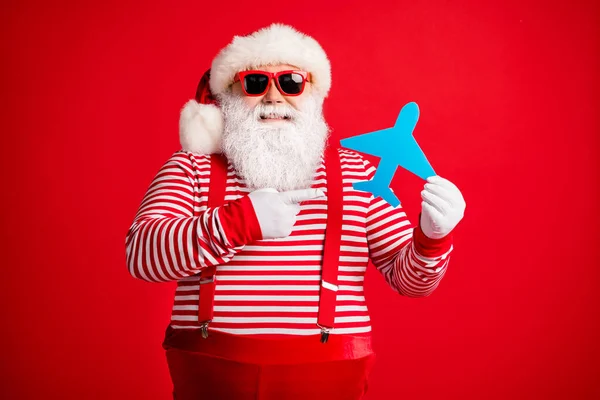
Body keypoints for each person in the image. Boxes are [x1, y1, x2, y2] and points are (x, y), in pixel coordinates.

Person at [125, 23, 466, 400]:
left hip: (329, 378)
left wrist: (432, 238)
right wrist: (240, 221)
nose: (274, 97)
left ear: (314, 94)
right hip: (210, 374)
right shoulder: (193, 165)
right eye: (254, 83)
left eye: (291, 82)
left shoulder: (357, 174)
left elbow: (411, 282)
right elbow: (141, 257)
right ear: (229, 96)